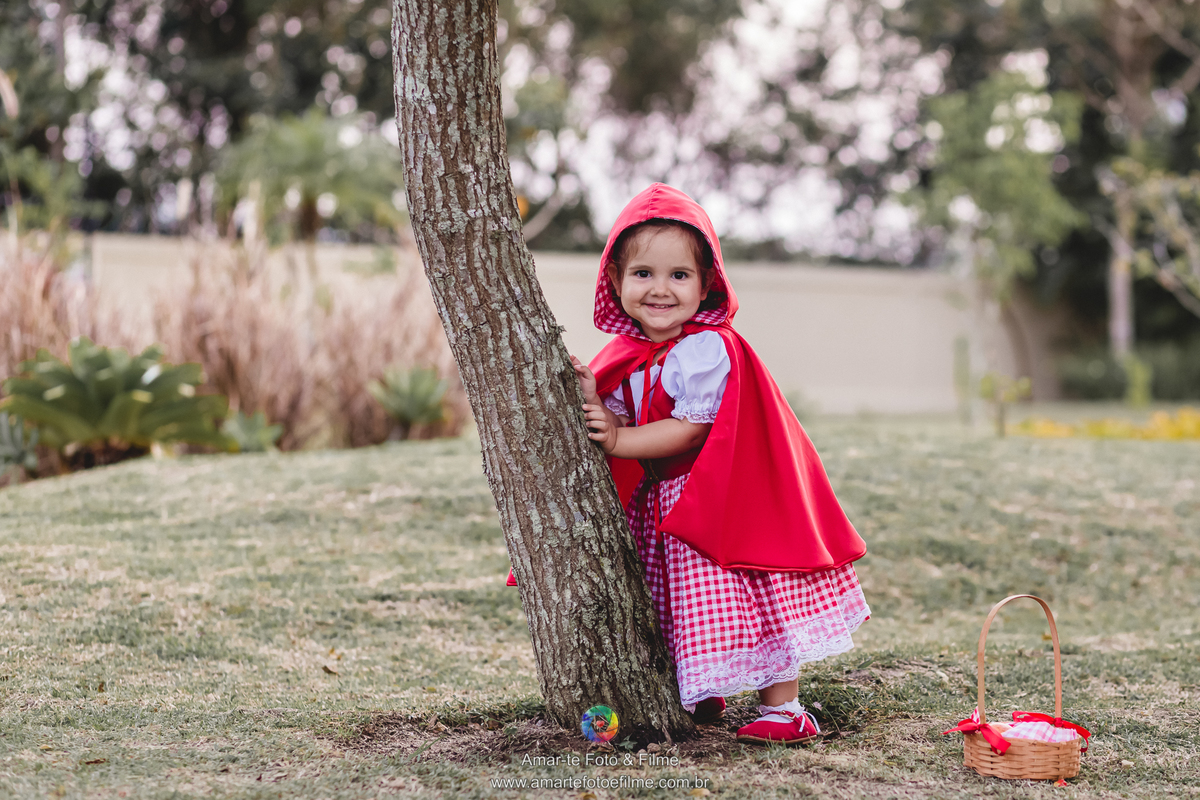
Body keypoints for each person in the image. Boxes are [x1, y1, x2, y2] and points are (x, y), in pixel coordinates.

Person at [510, 183, 870, 745]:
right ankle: (704, 689)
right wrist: (592, 397)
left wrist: (618, 440)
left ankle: (786, 707)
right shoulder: (626, 356)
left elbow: (690, 426)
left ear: (706, 285)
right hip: (662, 505)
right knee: (679, 605)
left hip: (715, 500)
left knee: (747, 597)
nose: (660, 289)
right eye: (644, 274)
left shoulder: (705, 350)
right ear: (616, 282)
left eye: (679, 275)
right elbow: (620, 411)